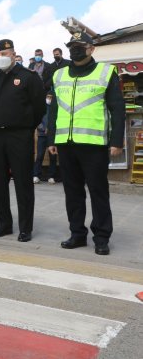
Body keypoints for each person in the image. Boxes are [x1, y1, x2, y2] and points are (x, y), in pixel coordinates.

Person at [48, 31, 125, 256]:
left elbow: (117, 109)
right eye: (72, 45)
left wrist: (116, 140)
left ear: (91, 49)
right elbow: (53, 109)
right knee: (72, 192)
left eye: (80, 45)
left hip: (94, 144)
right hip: (66, 143)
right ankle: (77, 234)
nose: (75, 49)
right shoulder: (59, 74)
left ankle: (101, 237)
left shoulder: (105, 72)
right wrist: (52, 138)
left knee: (98, 191)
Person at [0, 39, 46, 242]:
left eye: (4, 53)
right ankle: (3, 225)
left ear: (13, 54)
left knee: (23, 182)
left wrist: (27, 126)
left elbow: (39, 107)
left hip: (19, 135)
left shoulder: (28, 77)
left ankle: (25, 228)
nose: (1, 57)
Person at [33, 92, 59, 184]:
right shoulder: (41, 107)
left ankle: (51, 176)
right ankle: (36, 175)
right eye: (48, 97)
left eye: (51, 97)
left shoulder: (56, 106)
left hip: (52, 135)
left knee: (53, 156)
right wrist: (42, 128)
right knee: (39, 155)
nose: (49, 99)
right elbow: (37, 119)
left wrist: (52, 129)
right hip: (42, 134)